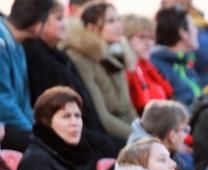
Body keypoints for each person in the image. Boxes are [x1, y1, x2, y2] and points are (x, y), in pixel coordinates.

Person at [21, 0, 120, 159]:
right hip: (65, 131)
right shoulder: (35, 55)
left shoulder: (60, 56)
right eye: (59, 18)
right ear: (40, 21)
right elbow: (49, 105)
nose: (64, 24)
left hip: (84, 129)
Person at [63, 2, 137, 142]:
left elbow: (128, 107)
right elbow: (102, 117)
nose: (118, 25)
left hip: (126, 130)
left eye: (118, 19)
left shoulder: (117, 54)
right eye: (110, 21)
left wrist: (143, 132)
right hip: (103, 135)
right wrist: (139, 137)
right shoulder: (81, 58)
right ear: (91, 27)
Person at [0, 0, 45, 152]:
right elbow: (3, 103)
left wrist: (36, 129)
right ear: (37, 25)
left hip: (12, 124)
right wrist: (33, 133)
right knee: (46, 149)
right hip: (5, 126)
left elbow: (23, 101)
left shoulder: (17, 44)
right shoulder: (2, 43)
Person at [126, 99, 194, 170]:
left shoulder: (144, 151)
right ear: (172, 136)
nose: (186, 135)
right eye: (185, 130)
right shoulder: (153, 164)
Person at [122, 14, 172, 113]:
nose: (148, 43)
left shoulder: (149, 68)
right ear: (126, 38)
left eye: (151, 38)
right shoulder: (124, 70)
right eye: (142, 37)